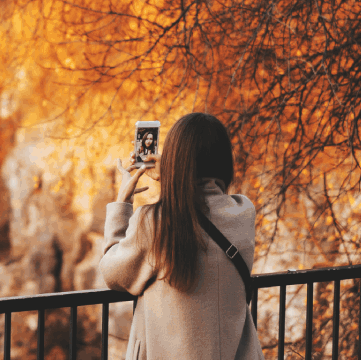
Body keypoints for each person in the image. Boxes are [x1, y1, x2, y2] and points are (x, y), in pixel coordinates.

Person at [99, 113, 263, 360]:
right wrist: (174, 177)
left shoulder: (154, 222)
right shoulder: (243, 213)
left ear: (175, 160)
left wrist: (122, 203)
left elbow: (113, 273)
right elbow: (201, 205)